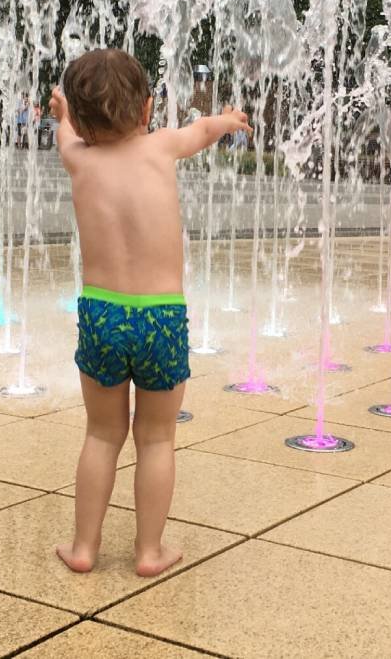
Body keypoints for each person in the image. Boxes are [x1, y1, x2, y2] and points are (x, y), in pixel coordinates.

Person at [50, 48, 250, 578]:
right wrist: (228, 120)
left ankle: (84, 548)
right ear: (146, 109)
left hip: (102, 314)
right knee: (157, 438)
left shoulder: (79, 158)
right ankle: (148, 551)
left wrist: (63, 115)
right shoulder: (162, 146)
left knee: (100, 434)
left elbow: (65, 135)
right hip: (161, 316)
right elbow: (202, 131)